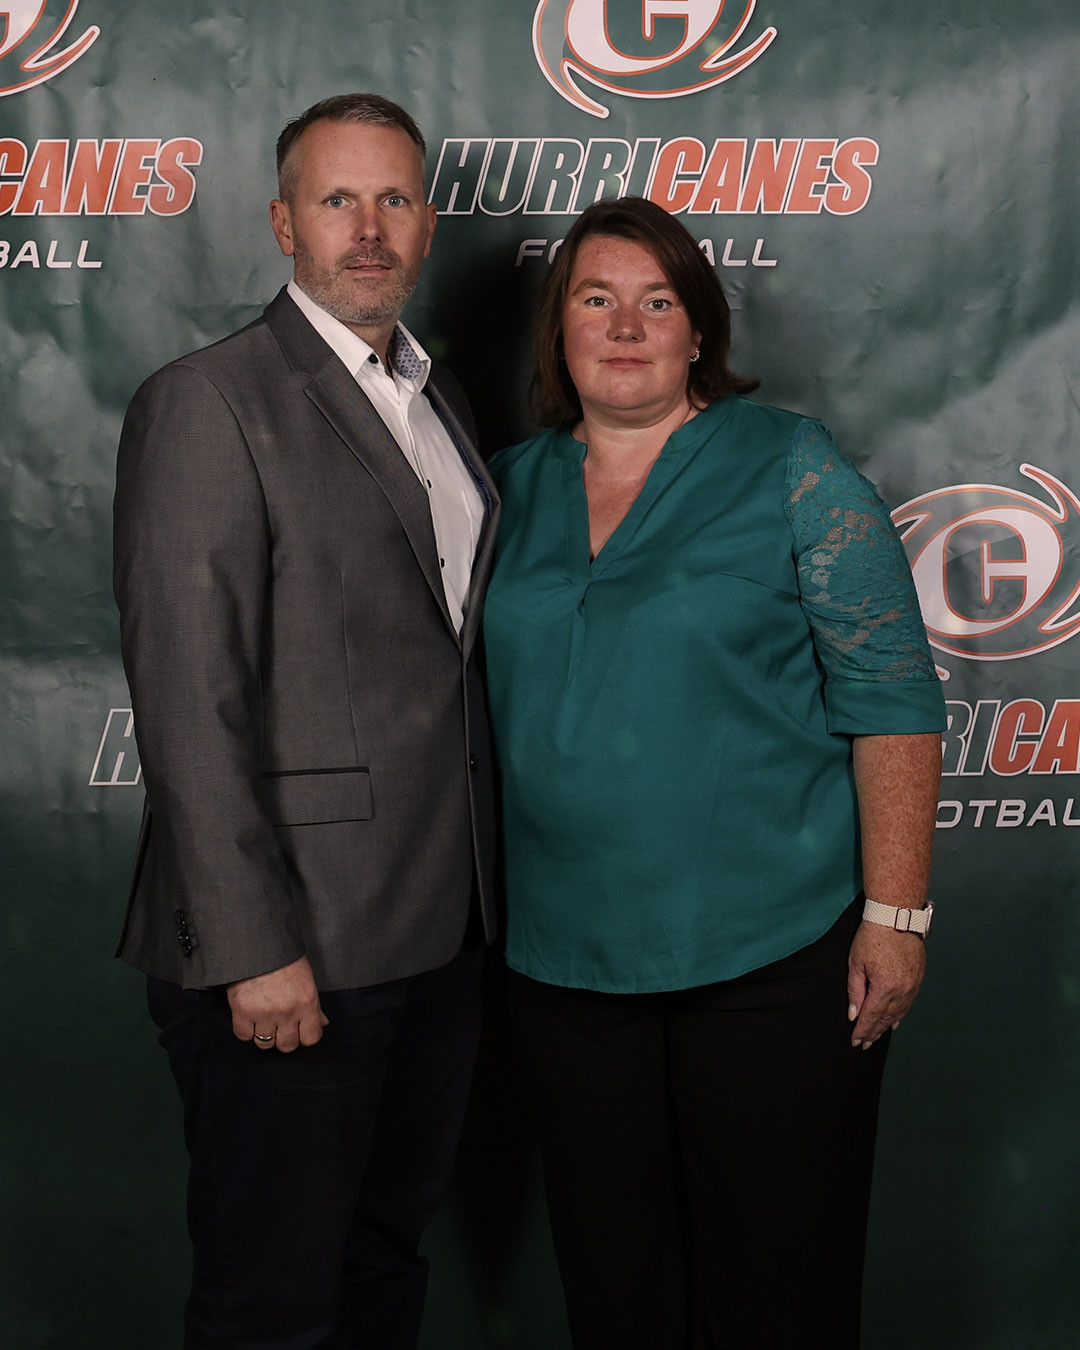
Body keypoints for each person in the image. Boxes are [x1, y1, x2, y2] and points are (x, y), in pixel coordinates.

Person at [482, 196, 945, 1350]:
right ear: (559, 328)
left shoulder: (790, 466)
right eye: (597, 299)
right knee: (616, 1291)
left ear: (700, 330)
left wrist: (896, 913)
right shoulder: (497, 491)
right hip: (567, 967)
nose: (625, 326)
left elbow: (891, 694)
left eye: (658, 302)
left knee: (778, 1292)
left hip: (772, 958)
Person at [112, 93, 499, 1349]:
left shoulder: (439, 403)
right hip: (292, 952)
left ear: (427, 224)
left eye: (394, 200)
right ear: (284, 223)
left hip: (437, 935)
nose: (367, 228)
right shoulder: (209, 400)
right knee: (270, 1306)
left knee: (383, 1268)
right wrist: (250, 949)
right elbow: (188, 696)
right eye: (338, 200)